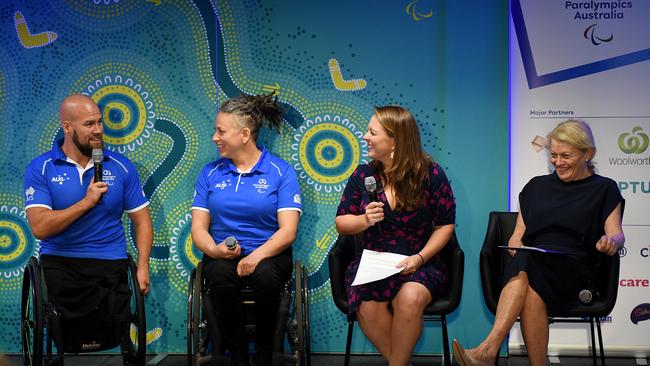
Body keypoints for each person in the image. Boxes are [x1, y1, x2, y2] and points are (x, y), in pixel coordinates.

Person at [452, 120, 625, 366]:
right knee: (532, 283)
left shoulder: (604, 188)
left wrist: (611, 241)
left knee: (530, 266)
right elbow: (518, 235)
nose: (557, 162)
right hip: (534, 264)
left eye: (566, 155)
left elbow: (617, 234)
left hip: (577, 270)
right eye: (553, 155)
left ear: (588, 154)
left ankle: (488, 349)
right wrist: (514, 244)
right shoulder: (536, 187)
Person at [23, 94, 153, 347]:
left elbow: (143, 221)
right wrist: (86, 202)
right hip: (62, 262)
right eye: (89, 125)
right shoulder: (41, 168)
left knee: (113, 324)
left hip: (110, 260)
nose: (99, 131)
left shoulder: (121, 167)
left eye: (99, 122)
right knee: (69, 332)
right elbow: (39, 227)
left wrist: (143, 265)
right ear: (68, 127)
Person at [335, 105, 456, 366]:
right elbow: (342, 223)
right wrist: (364, 219)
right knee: (367, 304)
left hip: (419, 261)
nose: (365, 136)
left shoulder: (431, 174)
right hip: (373, 262)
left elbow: (445, 226)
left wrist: (420, 258)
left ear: (395, 140)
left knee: (409, 298)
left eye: (372, 132)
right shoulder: (363, 175)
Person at [191, 93, 302, 366]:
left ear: (244, 134)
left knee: (265, 277)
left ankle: (265, 355)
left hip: (270, 254)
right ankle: (238, 356)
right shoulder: (210, 173)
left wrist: (255, 256)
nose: (215, 137)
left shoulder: (280, 171)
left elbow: (288, 232)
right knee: (216, 274)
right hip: (223, 254)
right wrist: (214, 251)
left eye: (220, 131)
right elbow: (199, 229)